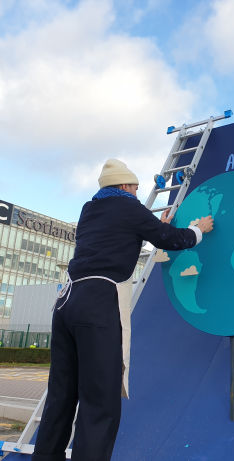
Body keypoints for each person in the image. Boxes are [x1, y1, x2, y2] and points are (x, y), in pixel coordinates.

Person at [32, 159, 213, 461]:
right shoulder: (129, 206)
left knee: (62, 396)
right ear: (125, 186)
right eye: (136, 188)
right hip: (97, 305)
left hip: (66, 301)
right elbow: (169, 240)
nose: (138, 194)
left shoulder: (90, 210)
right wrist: (198, 229)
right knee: (100, 401)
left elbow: (120, 238)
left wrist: (155, 225)